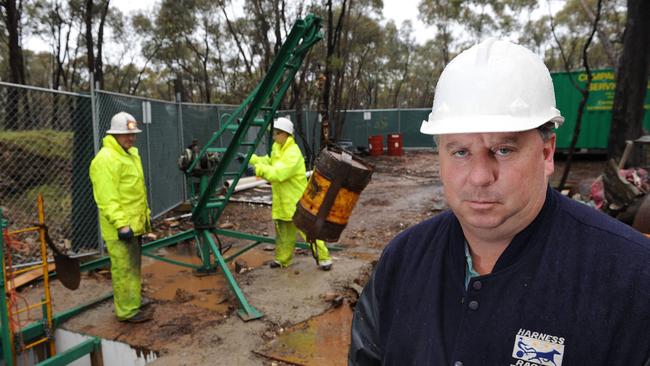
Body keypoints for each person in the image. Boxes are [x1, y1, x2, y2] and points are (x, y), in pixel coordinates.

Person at [349, 38, 650, 365]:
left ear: (547, 153)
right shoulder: (403, 260)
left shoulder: (631, 278)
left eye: (503, 150)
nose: (479, 176)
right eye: (460, 152)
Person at [89, 112, 153, 323]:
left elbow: (135, 192)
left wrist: (144, 219)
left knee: (133, 266)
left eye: (133, 134)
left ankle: (133, 301)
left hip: (133, 225)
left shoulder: (129, 154)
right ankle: (127, 311)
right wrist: (121, 224)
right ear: (114, 134)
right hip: (120, 229)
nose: (131, 138)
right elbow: (107, 198)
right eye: (126, 134)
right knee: (123, 269)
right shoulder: (106, 160)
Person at [249, 117, 333, 270]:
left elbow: (278, 173)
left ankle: (324, 258)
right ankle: (282, 259)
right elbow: (269, 161)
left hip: (295, 201)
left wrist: (258, 170)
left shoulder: (293, 154)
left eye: (276, 133)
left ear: (285, 134)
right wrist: (252, 159)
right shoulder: (277, 148)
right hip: (282, 201)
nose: (274, 136)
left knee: (308, 231)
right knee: (283, 235)